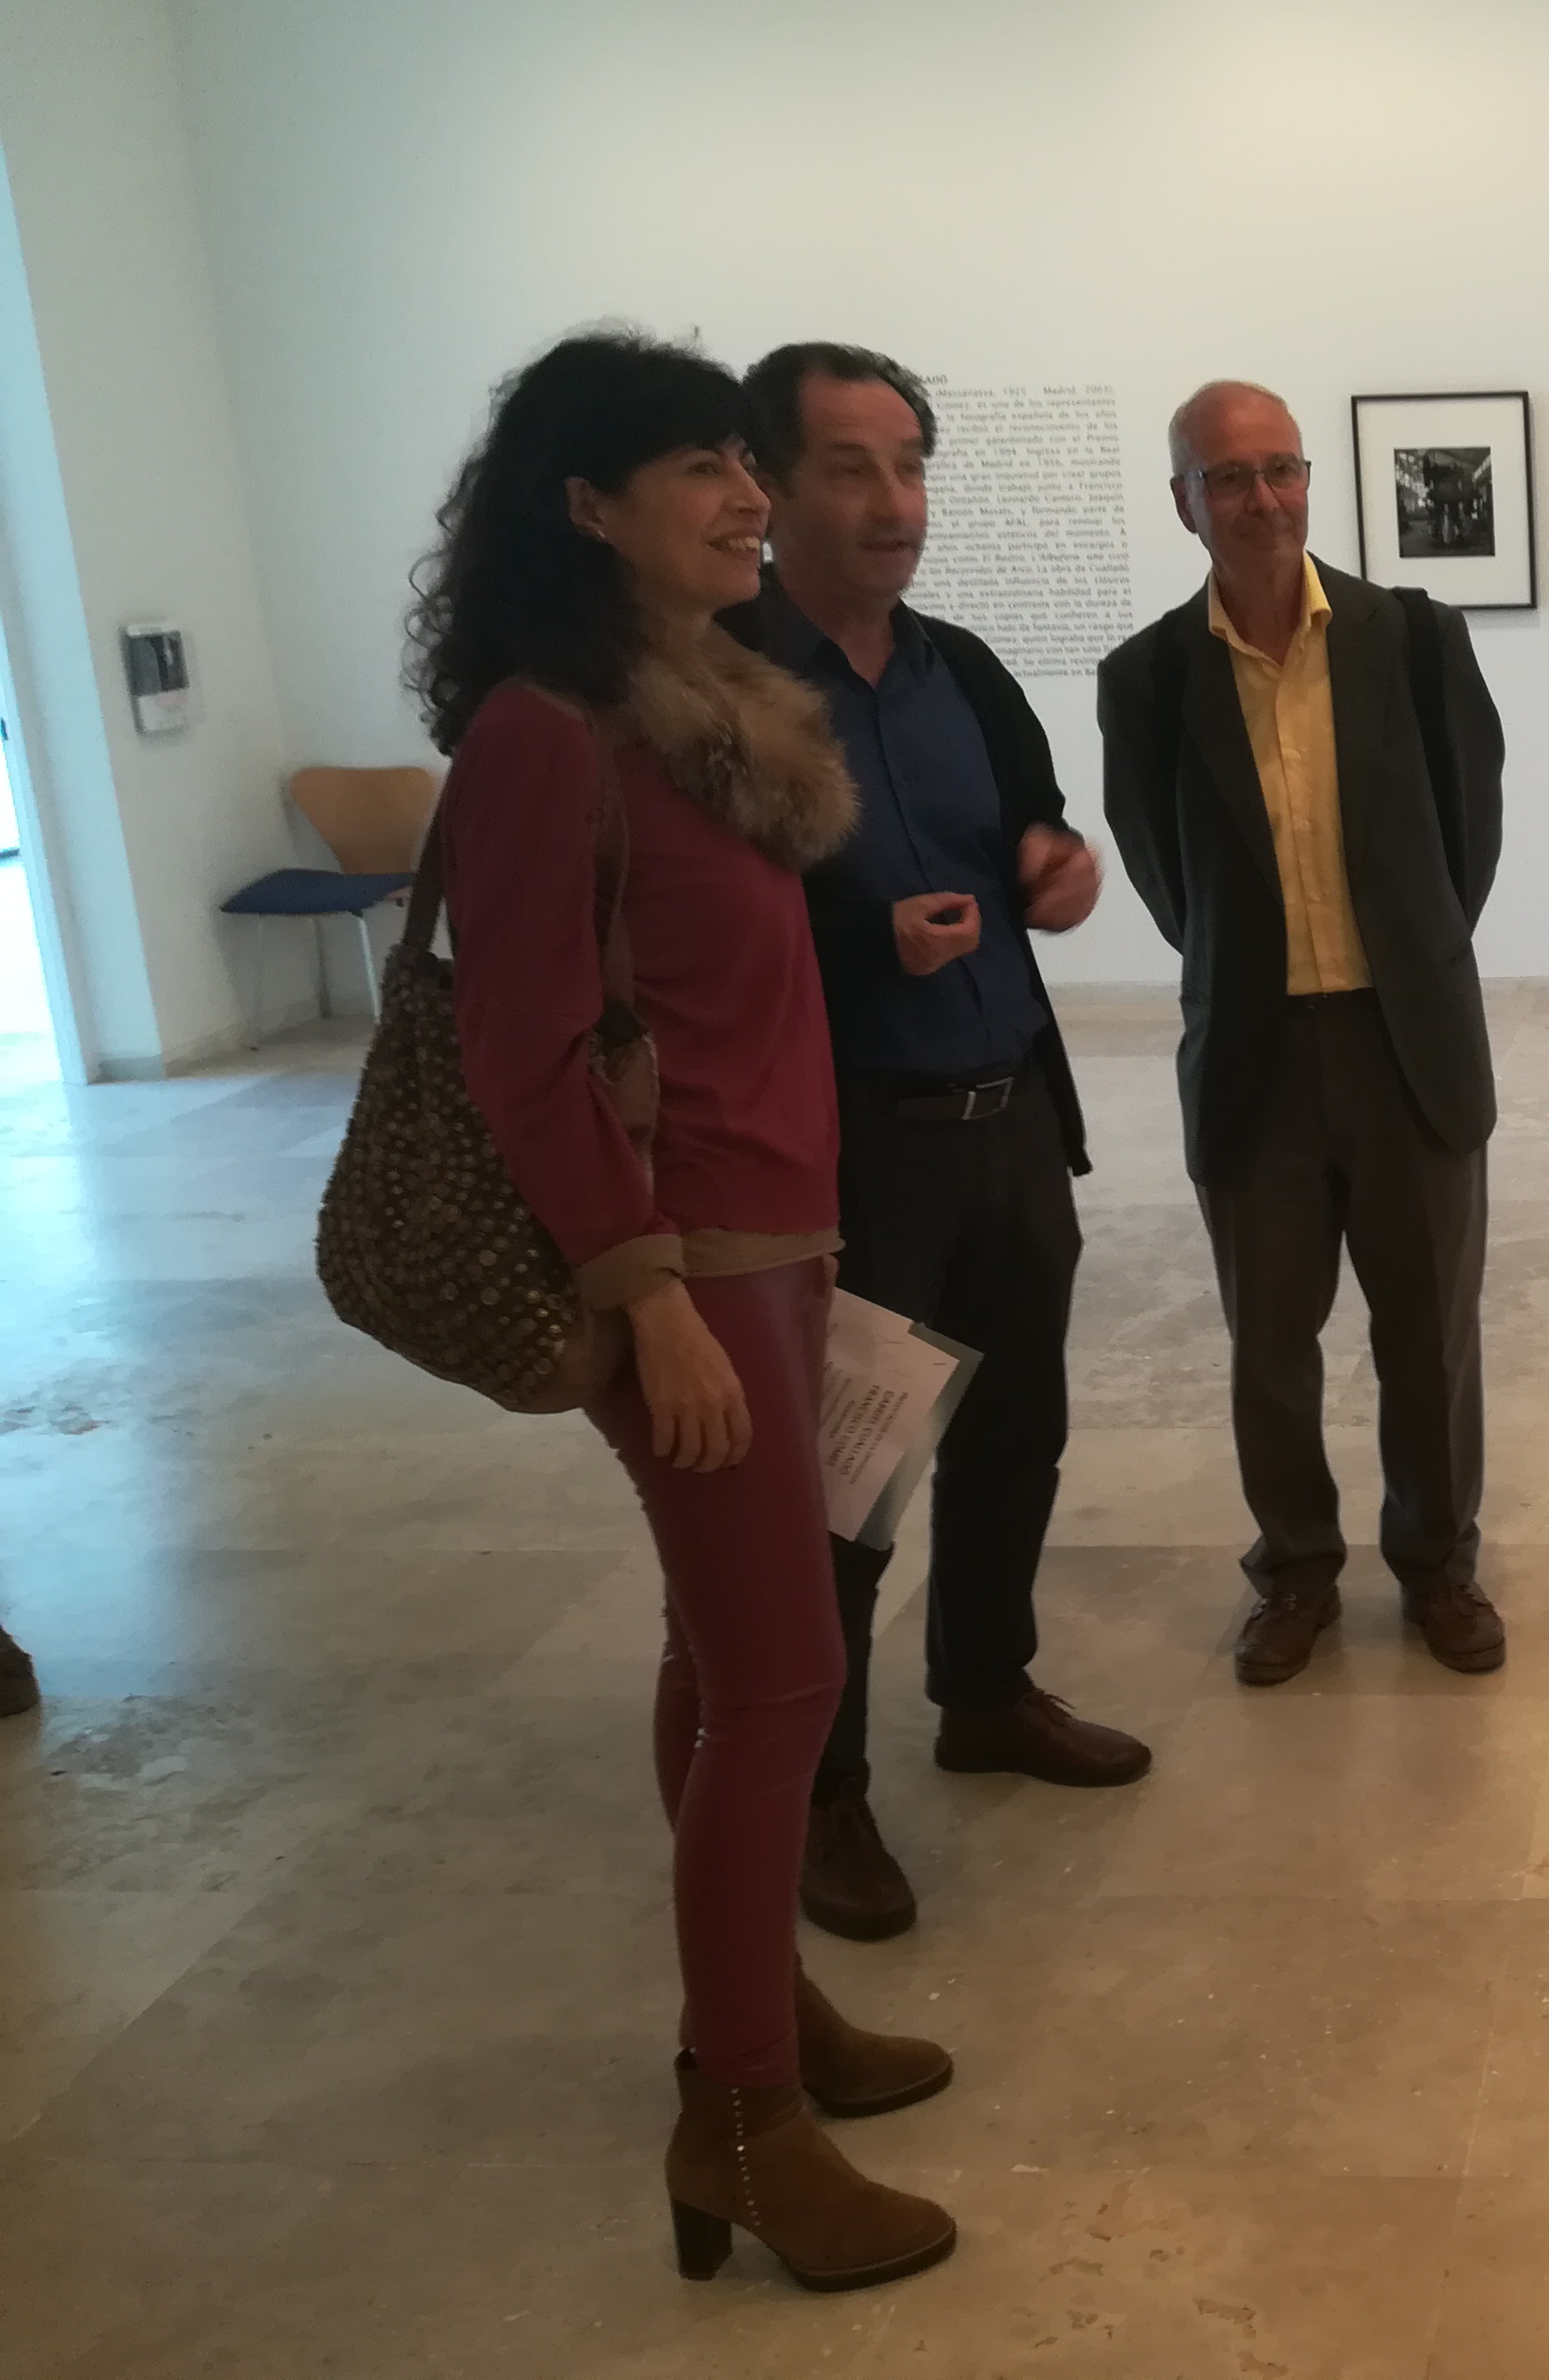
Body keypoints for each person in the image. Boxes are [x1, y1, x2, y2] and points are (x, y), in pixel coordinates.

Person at [419, 330, 954, 2292]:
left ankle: (760, 2012)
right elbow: (521, 1048)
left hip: (770, 1250)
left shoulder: (698, 709)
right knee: (784, 1684)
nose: (748, 496)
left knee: (718, 1658)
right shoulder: (544, 737)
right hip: (688, 1278)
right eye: (701, 470)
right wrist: (640, 1297)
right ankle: (741, 2119)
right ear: (586, 508)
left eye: (747, 460)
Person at [728, 342, 1147, 1950]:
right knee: (851, 1477)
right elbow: (696, 933)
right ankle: (824, 1790)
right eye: (850, 467)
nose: (893, 501)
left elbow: (1037, 827)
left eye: (909, 465)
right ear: (769, 487)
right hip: (852, 1153)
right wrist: (861, 945)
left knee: (1017, 1430)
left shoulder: (960, 667)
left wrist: (1060, 867)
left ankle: (985, 1690)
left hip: (1008, 1116)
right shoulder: (720, 682)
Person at [1097, 382, 1507, 1686]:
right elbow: (1164, 875)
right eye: (1229, 478)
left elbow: (1466, 838)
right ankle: (1295, 1573)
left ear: (1310, 481)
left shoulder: (1415, 640)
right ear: (1185, 504)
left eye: (1281, 469)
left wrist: (1408, 963)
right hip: (1254, 1057)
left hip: (1407, 1050)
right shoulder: (1148, 678)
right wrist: (1254, 969)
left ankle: (1438, 1566)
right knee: (1270, 1347)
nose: (1262, 500)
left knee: (1429, 1338)